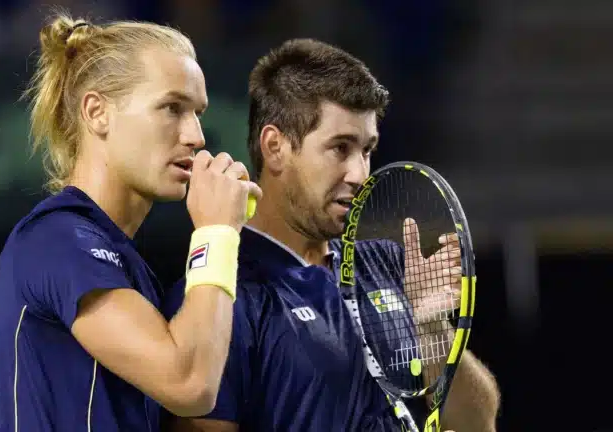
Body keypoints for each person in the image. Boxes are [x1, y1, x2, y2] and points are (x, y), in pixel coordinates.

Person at [163, 39, 500, 431]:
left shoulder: (386, 263)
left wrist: (432, 332)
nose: (359, 174)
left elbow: (478, 424)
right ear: (275, 147)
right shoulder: (218, 295)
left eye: (367, 149)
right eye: (340, 148)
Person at [0, 14, 261, 431]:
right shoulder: (59, 238)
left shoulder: (125, 269)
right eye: (172, 107)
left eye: (197, 112)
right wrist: (216, 234)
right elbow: (189, 383)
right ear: (97, 113)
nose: (197, 136)